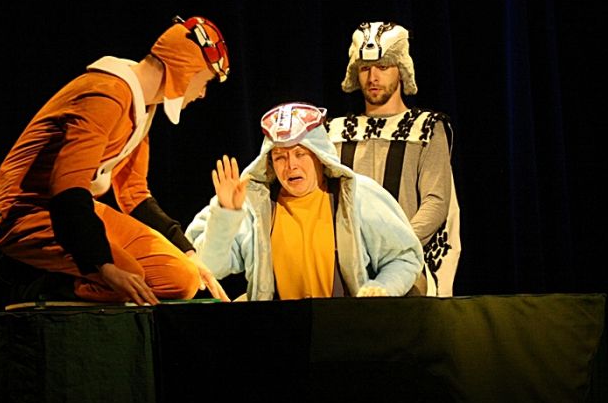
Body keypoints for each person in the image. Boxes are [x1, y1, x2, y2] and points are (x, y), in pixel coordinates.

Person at [0, 16, 231, 306]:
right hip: (27, 211)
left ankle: (71, 272)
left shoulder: (142, 107)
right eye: (204, 82)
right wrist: (102, 264)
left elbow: (133, 194)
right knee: (129, 276)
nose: (202, 94)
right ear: (185, 71)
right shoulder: (106, 94)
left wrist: (190, 254)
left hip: (75, 209)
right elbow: (67, 188)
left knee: (182, 279)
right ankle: (38, 281)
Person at [185, 102, 424, 301]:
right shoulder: (253, 204)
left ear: (320, 156)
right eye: (280, 157)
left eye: (300, 154)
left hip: (347, 329)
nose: (291, 166)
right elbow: (210, 267)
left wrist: (381, 290)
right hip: (281, 333)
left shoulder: (356, 195)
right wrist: (226, 213)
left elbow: (404, 256)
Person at [326, 21, 461, 297]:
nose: (373, 77)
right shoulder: (335, 132)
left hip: (406, 260)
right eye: (365, 68)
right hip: (344, 262)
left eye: (383, 66)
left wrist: (392, 246)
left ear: (400, 69)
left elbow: (435, 203)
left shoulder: (426, 128)